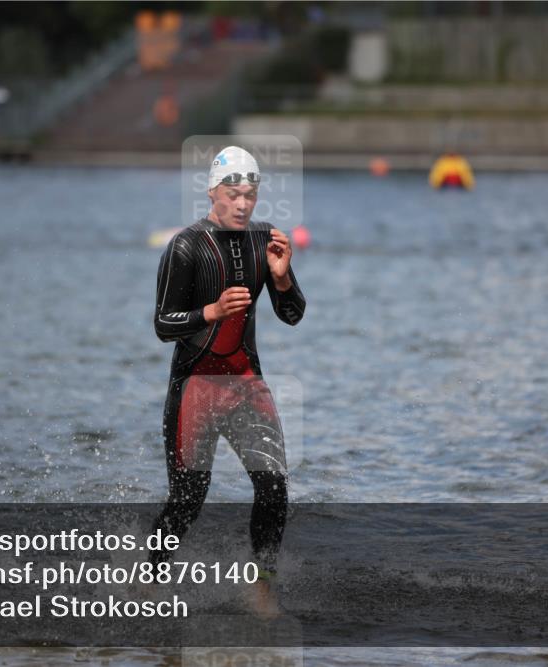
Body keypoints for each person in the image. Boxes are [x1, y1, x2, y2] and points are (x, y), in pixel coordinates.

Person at [149, 145, 306, 614]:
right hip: (194, 387)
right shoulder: (186, 246)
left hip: (245, 384)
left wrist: (281, 280)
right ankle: (149, 585)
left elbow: (293, 315)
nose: (242, 204)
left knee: (274, 488)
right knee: (188, 501)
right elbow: (163, 324)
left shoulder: (266, 241)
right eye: (232, 194)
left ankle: (262, 588)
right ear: (212, 192)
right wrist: (211, 312)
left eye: (250, 195)